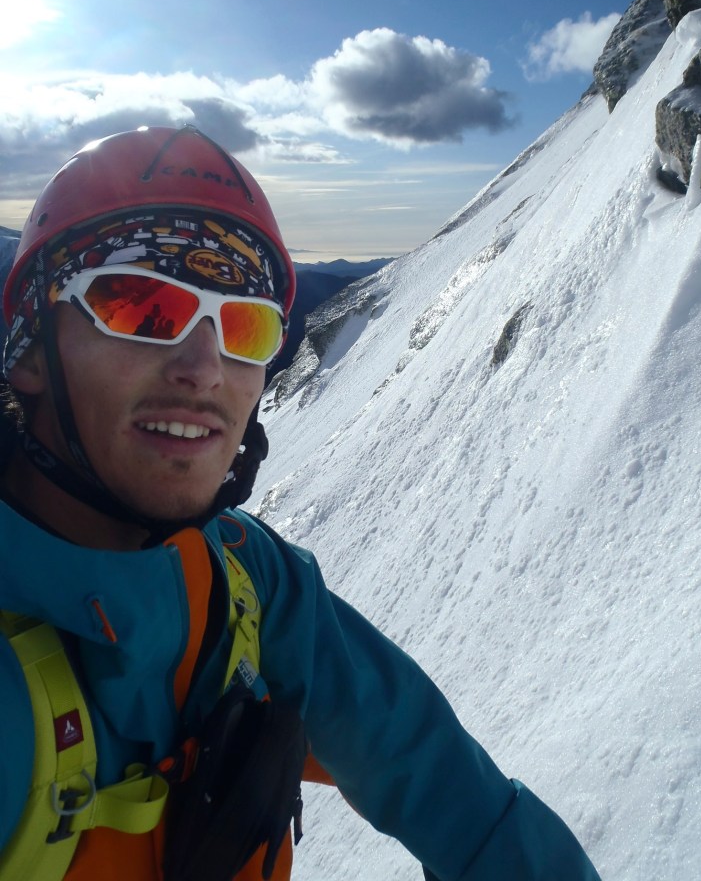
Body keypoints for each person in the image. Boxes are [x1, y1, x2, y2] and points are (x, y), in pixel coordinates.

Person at [0, 125, 602, 881]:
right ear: (28, 351)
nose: (205, 368)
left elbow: (443, 784)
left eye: (245, 327)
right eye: (143, 308)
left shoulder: (248, 582)